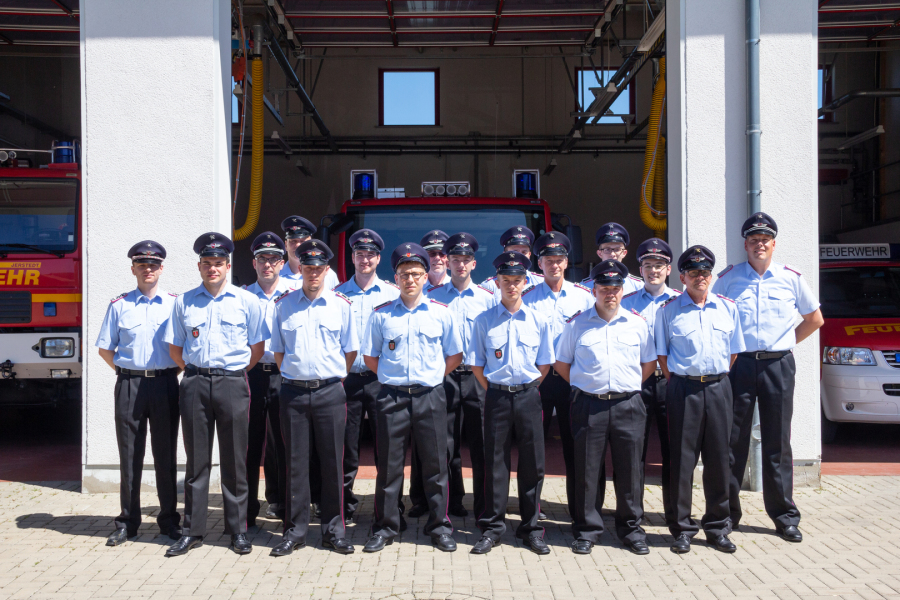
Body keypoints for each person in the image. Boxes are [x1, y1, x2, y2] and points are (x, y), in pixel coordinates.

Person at [712, 212, 823, 543]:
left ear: (774, 244)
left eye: (765, 239)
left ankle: (784, 516)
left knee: (778, 442)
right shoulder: (729, 279)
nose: (759, 244)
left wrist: (786, 343)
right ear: (745, 244)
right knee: (733, 441)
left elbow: (814, 319)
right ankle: (726, 515)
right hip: (740, 365)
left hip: (778, 366)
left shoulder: (790, 278)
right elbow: (714, 319)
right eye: (753, 240)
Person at [163, 232, 267, 557]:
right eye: (207, 263)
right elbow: (175, 348)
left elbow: (257, 347)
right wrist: (197, 372)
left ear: (228, 265)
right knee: (196, 463)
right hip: (195, 383)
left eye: (218, 263)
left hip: (233, 384)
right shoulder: (184, 302)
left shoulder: (246, 301)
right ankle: (192, 531)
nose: (212, 268)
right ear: (199, 266)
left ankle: (238, 531)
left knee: (235, 461)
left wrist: (231, 374)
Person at [360, 243, 463, 553]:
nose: (411, 280)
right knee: (389, 467)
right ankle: (386, 526)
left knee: (436, 465)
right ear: (396, 278)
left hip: (430, 395)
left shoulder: (441, 313)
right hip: (392, 398)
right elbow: (370, 357)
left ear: (425, 276)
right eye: (404, 274)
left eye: (417, 274)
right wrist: (392, 378)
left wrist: (432, 376)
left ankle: (439, 526)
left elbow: (455, 355)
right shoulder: (381, 315)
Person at [555, 260, 657, 555]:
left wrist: (628, 386)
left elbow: (649, 363)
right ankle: (587, 530)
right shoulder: (576, 324)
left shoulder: (637, 324)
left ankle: (631, 530)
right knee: (587, 470)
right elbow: (562, 363)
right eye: (604, 288)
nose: (610, 293)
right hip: (590, 405)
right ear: (594, 290)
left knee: (630, 470)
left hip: (629, 404)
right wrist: (585, 384)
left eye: (615, 288)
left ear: (622, 291)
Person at [268, 239, 357, 556]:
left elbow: (350, 351)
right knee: (295, 464)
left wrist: (330, 377)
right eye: (308, 268)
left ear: (326, 270)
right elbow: (279, 352)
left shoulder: (341, 305)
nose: (313, 273)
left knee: (333, 463)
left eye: (318, 268)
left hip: (330, 392)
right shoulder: (283, 305)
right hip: (293, 393)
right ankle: (295, 531)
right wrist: (297, 375)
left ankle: (334, 531)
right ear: (300, 269)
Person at [655, 245, 745, 554]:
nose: (700, 277)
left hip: (719, 388)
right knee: (682, 461)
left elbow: (733, 353)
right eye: (693, 273)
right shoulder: (667, 311)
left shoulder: (728, 308)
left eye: (705, 272)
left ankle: (717, 527)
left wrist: (713, 378)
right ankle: (682, 529)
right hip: (684, 390)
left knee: (719, 459)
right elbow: (663, 356)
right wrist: (684, 380)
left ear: (711, 276)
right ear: (682, 277)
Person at [95, 240, 181, 547]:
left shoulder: (175, 304)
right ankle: (127, 523)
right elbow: (106, 349)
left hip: (165, 384)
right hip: (129, 385)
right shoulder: (119, 305)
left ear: (161, 269)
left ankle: (169, 520)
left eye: (153, 265)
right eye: (142, 265)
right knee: (129, 456)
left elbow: (182, 348)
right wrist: (126, 373)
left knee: (166, 455)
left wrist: (168, 373)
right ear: (133, 269)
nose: (148, 269)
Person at [470, 251, 554, 556]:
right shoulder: (484, 320)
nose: (511, 285)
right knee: (495, 464)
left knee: (533, 464)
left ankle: (531, 529)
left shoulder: (538, 320)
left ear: (525, 282)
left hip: (529, 395)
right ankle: (492, 528)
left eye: (517, 280)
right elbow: (477, 364)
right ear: (497, 282)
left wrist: (526, 389)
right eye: (506, 280)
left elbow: (544, 363)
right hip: (497, 396)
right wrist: (497, 390)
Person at [412, 232, 494, 520]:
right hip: (444, 377)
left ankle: (484, 506)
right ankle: (450, 503)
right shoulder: (431, 298)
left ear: (473, 263)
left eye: (466, 259)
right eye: (455, 259)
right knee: (443, 445)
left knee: (482, 445)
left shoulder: (487, 299)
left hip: (477, 377)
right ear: (447, 262)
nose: (460, 264)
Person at [522, 231, 594, 518]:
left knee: (576, 446)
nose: (554, 265)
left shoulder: (583, 297)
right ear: (539, 263)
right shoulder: (527, 298)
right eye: (548, 260)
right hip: (538, 380)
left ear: (566, 262)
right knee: (533, 448)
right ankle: (532, 509)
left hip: (571, 379)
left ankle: (578, 509)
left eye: (559, 259)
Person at [333, 229, 400, 523]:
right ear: (352, 257)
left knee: (387, 448)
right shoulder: (337, 294)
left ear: (378, 259)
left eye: (370, 254)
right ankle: (343, 507)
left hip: (380, 380)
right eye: (360, 254)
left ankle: (389, 510)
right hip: (346, 380)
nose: (365, 259)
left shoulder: (392, 294)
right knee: (346, 448)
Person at [620, 238, 680, 527]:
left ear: (668, 269)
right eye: (647, 265)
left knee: (674, 451)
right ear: (640, 269)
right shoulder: (626, 303)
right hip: (637, 384)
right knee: (633, 451)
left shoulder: (681, 301)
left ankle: (674, 514)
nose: (653, 270)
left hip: (671, 383)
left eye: (659, 265)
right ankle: (632, 515)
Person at [242, 232, 291, 527]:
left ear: (282, 263)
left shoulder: (294, 295)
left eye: (274, 259)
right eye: (262, 259)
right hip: (252, 374)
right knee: (249, 444)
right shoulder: (242, 296)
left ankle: (284, 505)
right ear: (254, 263)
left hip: (285, 376)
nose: (268, 264)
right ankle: (247, 510)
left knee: (284, 443)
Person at [279, 215, 340, 289]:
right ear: (286, 245)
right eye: (293, 241)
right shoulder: (276, 276)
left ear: (310, 244)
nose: (297, 245)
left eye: (302, 241)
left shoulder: (328, 276)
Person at [581, 223, 643, 294]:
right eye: (607, 249)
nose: (612, 254)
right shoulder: (585, 287)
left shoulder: (638, 286)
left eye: (617, 249)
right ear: (599, 253)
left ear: (624, 253)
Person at [480, 226, 543, 293]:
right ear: (505, 254)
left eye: (524, 252)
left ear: (529, 255)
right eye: (515, 251)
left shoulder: (541, 283)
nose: (520, 256)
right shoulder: (490, 286)